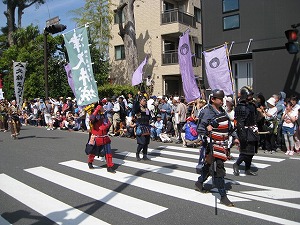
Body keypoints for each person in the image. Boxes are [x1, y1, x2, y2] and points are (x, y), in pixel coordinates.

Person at [195, 89, 238, 207]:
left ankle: (199, 182)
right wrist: (207, 131)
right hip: (211, 145)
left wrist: (235, 137)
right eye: (219, 98)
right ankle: (223, 196)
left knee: (209, 166)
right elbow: (199, 129)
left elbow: (228, 126)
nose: (222, 100)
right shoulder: (206, 112)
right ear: (213, 99)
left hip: (222, 143)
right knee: (218, 169)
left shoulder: (222, 111)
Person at [233, 86, 259, 177]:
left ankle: (247, 169)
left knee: (251, 151)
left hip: (252, 130)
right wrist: (242, 135)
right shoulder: (240, 107)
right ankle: (237, 164)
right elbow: (240, 123)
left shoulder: (252, 106)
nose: (251, 97)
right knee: (245, 152)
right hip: (245, 130)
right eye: (249, 96)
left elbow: (256, 118)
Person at [87, 103, 116, 173]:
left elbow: (108, 122)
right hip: (96, 136)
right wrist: (96, 110)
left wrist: (107, 125)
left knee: (108, 152)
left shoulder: (103, 115)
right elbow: (91, 119)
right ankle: (90, 162)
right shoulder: (94, 115)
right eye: (101, 107)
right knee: (93, 151)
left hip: (104, 136)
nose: (103, 108)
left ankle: (109, 166)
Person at [132, 96, 151, 161]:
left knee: (146, 142)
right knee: (141, 142)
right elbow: (135, 108)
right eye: (143, 101)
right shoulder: (138, 109)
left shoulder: (146, 109)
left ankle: (145, 155)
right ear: (140, 101)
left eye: (145, 101)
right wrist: (138, 97)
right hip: (140, 126)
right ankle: (137, 153)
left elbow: (149, 116)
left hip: (147, 126)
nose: (145, 102)